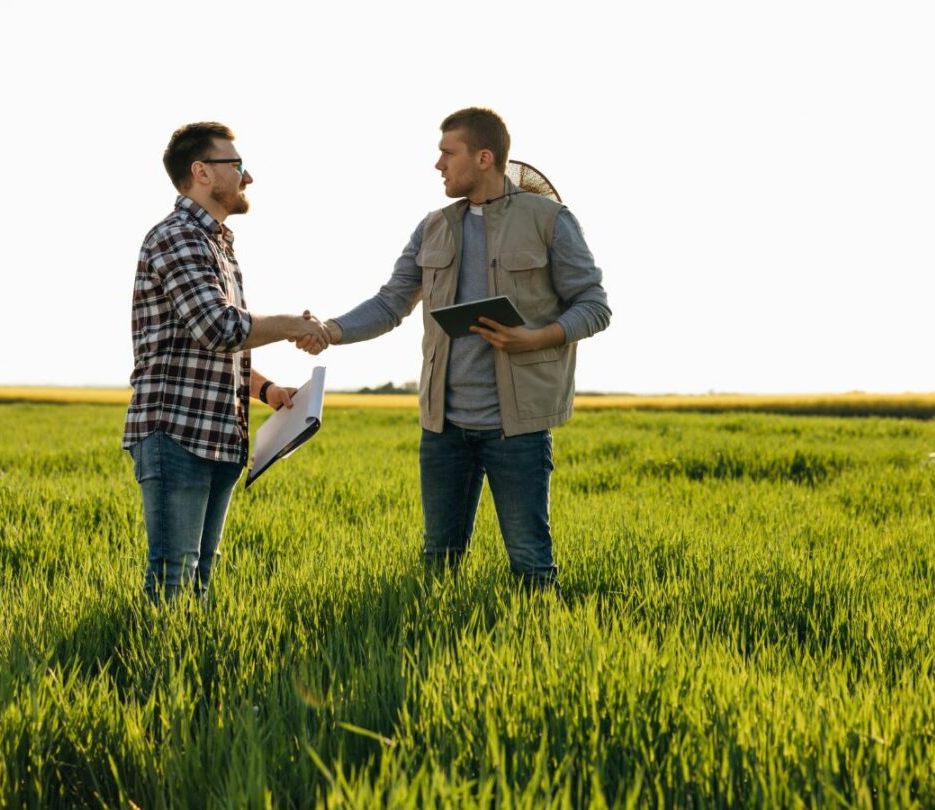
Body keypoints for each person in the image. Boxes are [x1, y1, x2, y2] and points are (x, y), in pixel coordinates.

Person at [314, 107, 610, 590]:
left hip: (518, 429)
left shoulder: (550, 221)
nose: (439, 166)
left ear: (484, 157)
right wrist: (330, 330)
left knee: (532, 564)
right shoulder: (433, 226)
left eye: (447, 154)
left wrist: (536, 337)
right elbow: (392, 303)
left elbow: (594, 304)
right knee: (438, 564)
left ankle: (541, 652)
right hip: (444, 428)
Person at [123, 122, 328, 604]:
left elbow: (207, 346)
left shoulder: (216, 243)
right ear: (201, 172)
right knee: (174, 579)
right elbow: (218, 328)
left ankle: (191, 672)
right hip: (176, 433)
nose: (247, 177)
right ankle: (154, 674)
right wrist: (292, 324)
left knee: (200, 581)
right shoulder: (177, 238)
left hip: (218, 436)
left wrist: (267, 391)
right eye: (236, 166)